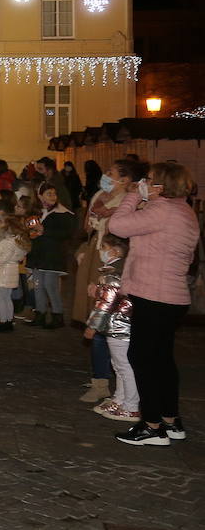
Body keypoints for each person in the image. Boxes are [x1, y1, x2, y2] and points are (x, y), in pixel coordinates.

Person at [106, 162, 197, 446]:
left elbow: (117, 225)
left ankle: (152, 425)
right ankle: (171, 420)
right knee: (162, 360)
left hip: (154, 295)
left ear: (161, 185)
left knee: (143, 359)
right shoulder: (184, 211)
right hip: (172, 296)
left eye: (150, 179)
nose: (145, 182)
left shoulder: (162, 210)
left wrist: (134, 196)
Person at [72, 159, 132, 401]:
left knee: (106, 317)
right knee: (93, 313)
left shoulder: (129, 202)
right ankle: (100, 379)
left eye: (111, 173)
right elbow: (89, 225)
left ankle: (109, 384)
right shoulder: (100, 195)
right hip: (96, 251)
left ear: (125, 180)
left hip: (115, 257)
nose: (106, 176)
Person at [84, 233, 138, 421]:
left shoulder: (113, 272)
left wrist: (92, 325)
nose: (100, 252)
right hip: (119, 323)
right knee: (118, 365)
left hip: (119, 325)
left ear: (114, 251)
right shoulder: (117, 270)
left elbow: (106, 303)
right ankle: (120, 399)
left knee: (123, 366)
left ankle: (131, 406)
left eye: (103, 248)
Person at [24, 182, 76, 329]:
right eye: (49, 194)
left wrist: (44, 230)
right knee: (38, 285)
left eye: (54, 193)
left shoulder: (63, 213)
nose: (53, 197)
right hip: (37, 254)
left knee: (50, 286)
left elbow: (66, 234)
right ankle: (39, 314)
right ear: (40, 196)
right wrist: (30, 232)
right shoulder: (36, 212)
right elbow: (29, 231)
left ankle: (57, 315)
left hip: (52, 255)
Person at [0, 212, 33, 332]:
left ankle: (4, 322)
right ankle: (8, 320)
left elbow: (2, 258)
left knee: (1, 298)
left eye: (1, 223)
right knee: (6, 298)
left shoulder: (8, 242)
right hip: (11, 271)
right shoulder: (18, 241)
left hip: (4, 273)